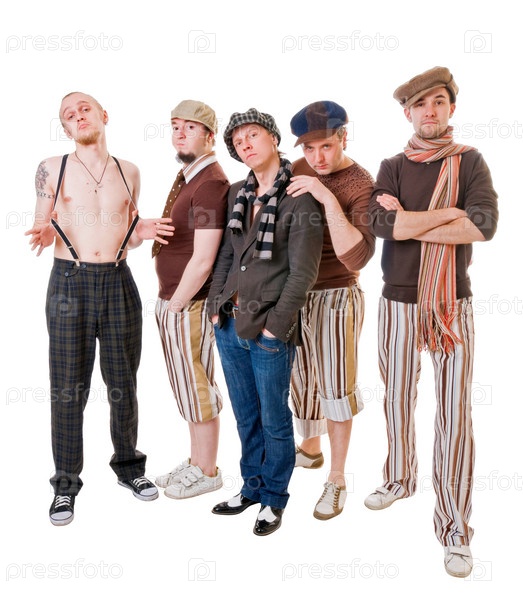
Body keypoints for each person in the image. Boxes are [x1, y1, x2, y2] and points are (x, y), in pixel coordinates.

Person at [366, 67, 498, 577]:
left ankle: (455, 528)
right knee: (397, 397)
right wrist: (449, 214)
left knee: (454, 413)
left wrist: (410, 222)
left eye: (438, 101)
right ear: (407, 113)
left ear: (451, 109)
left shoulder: (471, 161)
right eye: (420, 104)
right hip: (398, 302)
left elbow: (483, 225)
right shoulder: (392, 166)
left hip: (450, 304)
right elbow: (381, 224)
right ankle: (399, 478)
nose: (430, 110)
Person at [26, 92, 175, 526]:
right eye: (69, 115)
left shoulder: (130, 171)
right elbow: (41, 220)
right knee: (68, 388)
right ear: (65, 128)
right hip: (69, 282)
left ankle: (129, 468)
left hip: (118, 280)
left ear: (103, 115)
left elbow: (128, 232)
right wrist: (42, 231)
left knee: (123, 383)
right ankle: (65, 484)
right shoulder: (52, 167)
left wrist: (141, 231)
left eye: (84, 109)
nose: (78, 117)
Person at [208, 108, 323, 536]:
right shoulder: (237, 192)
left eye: (253, 135)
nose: (246, 144)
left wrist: (277, 325)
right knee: (245, 416)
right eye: (238, 142)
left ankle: (274, 497)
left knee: (274, 419)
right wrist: (216, 303)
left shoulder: (299, 194)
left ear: (273, 138)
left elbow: (303, 272)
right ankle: (251, 487)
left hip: (269, 329)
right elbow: (227, 253)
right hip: (229, 324)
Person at [286, 100, 375, 520]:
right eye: (309, 149)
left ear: (343, 137)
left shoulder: (362, 183)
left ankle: (336, 479)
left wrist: (324, 195)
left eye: (326, 146)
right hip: (296, 291)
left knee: (336, 387)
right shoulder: (298, 167)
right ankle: (310, 448)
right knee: (302, 379)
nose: (317, 158)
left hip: (337, 294)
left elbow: (356, 257)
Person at [153, 100, 229, 499]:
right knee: (186, 383)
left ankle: (208, 470)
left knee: (196, 383)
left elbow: (204, 258)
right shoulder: (191, 177)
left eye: (191, 127)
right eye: (175, 126)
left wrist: (177, 303)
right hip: (176, 300)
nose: (180, 133)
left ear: (210, 136)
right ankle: (197, 460)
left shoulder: (210, 183)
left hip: (188, 302)